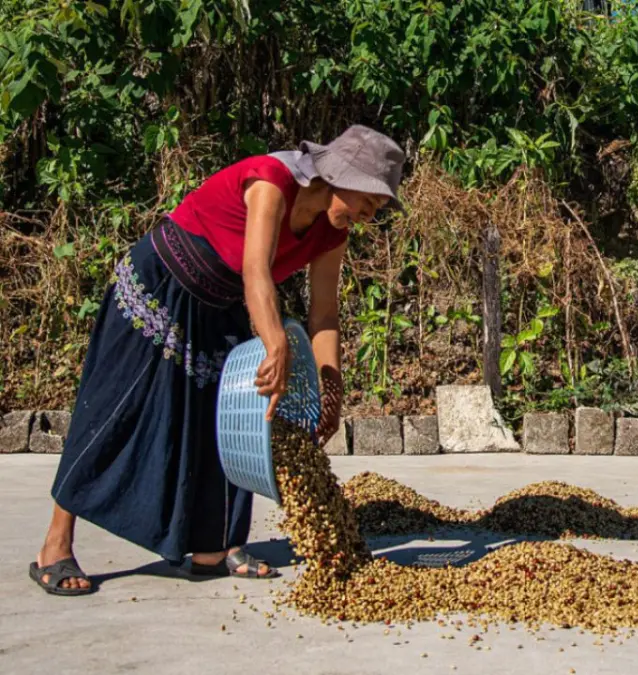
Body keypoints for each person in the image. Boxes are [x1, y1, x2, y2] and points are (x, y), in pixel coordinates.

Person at [29, 125, 405, 595]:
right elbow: (256, 271)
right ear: (339, 175)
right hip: (163, 280)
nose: (367, 217)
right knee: (113, 408)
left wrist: (332, 385)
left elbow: (324, 313)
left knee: (227, 422)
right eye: (367, 202)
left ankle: (215, 546)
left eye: (376, 209)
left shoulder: (333, 231)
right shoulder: (272, 181)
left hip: (220, 300)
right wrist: (276, 344)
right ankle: (54, 546)